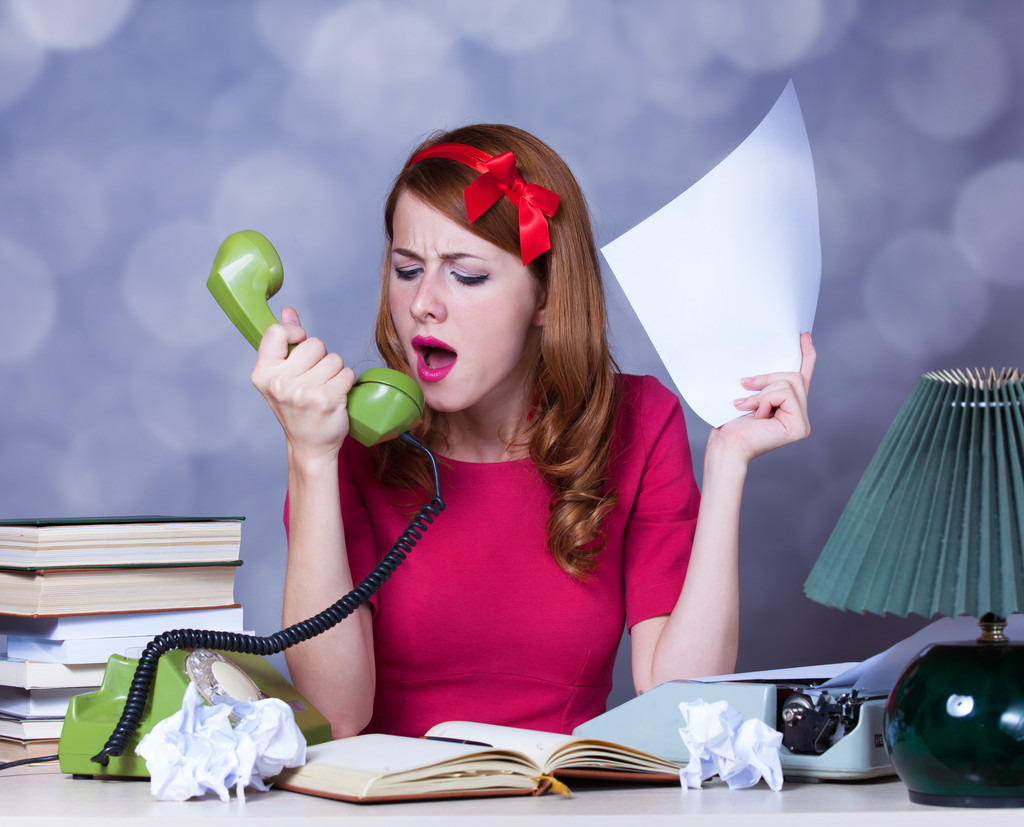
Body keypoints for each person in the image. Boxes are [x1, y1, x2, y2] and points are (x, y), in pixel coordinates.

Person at [251, 123, 815, 740]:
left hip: (563, 789)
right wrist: (310, 457)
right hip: (393, 791)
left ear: (545, 298)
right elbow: (336, 715)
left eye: (466, 276)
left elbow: (681, 701)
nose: (422, 304)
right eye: (407, 269)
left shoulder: (640, 423)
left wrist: (729, 461)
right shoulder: (347, 441)